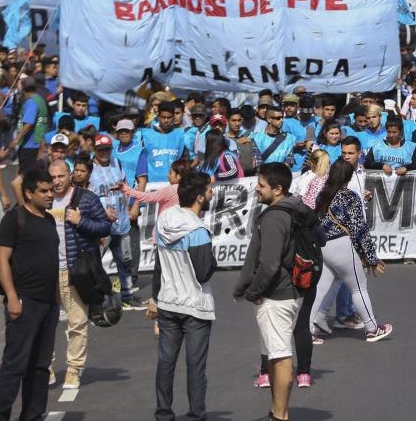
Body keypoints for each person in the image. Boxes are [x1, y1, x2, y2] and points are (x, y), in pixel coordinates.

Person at [234, 163, 309, 421]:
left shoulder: (275, 217)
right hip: (283, 292)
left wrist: (253, 291)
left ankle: (279, 416)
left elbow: (270, 264)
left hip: (276, 295)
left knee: (280, 357)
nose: (256, 188)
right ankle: (278, 413)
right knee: (276, 357)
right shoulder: (288, 210)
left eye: (261, 185)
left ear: (278, 189)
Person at [0, 169, 59, 421]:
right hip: (24, 302)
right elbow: (1, 260)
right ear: (28, 193)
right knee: (15, 366)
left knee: (40, 367)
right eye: (44, 190)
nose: (51, 194)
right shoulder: (14, 219)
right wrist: (12, 297)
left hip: (48, 304)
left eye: (52, 189)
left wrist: (56, 299)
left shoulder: (49, 220)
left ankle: (32, 415)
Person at [149, 171, 217, 421]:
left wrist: (155, 298)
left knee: (165, 363)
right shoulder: (198, 230)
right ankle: (196, 415)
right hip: (194, 308)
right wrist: (214, 261)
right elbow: (203, 273)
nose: (212, 193)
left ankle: (163, 414)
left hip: (167, 303)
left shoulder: (165, 219)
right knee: (195, 366)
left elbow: (158, 264)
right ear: (199, 197)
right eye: (209, 191)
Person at [48, 158, 112, 389]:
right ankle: (46, 367)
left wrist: (81, 220)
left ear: (70, 175)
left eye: (61, 176)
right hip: (46, 272)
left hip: (74, 270)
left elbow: (105, 226)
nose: (56, 182)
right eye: (52, 177)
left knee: (77, 323)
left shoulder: (86, 199)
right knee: (44, 324)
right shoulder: (43, 200)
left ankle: (73, 370)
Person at [311, 159, 392, 342]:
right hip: (343, 246)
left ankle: (307, 329)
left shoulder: (322, 196)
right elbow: (359, 229)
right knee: (359, 288)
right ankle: (372, 328)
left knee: (319, 290)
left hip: (324, 247)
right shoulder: (350, 196)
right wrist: (372, 259)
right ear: (349, 177)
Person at [88, 133, 140, 307]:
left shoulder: (117, 163)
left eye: (107, 149)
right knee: (95, 264)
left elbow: (124, 187)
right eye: (100, 149)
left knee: (125, 262)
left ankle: (127, 295)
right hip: (101, 227)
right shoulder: (88, 167)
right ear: (94, 149)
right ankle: (96, 298)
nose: (104, 152)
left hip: (122, 224)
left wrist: (130, 207)